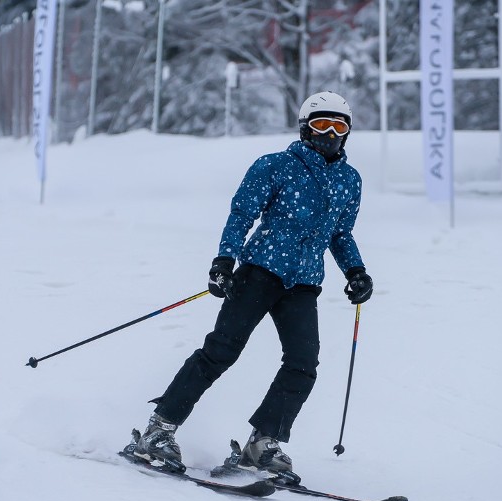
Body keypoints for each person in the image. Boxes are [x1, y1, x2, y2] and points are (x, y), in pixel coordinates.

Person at [133, 91, 373, 476]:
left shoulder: (349, 180)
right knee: (220, 352)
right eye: (320, 125)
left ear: (347, 134)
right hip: (259, 271)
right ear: (304, 129)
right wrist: (225, 260)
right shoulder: (276, 166)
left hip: (304, 283)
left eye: (338, 126)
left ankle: (263, 442)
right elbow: (242, 214)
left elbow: (341, 234)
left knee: (302, 364)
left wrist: (356, 272)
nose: (328, 133)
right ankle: (159, 430)